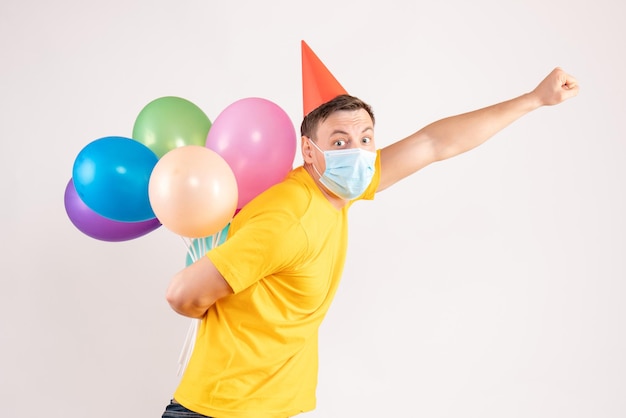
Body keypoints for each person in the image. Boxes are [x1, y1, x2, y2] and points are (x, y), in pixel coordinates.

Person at [161, 42, 579, 418]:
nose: (358, 153)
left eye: (365, 138)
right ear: (309, 151)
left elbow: (435, 143)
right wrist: (221, 315)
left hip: (267, 408)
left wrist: (534, 99)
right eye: (340, 142)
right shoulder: (289, 219)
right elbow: (182, 294)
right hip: (221, 411)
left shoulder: (337, 184)